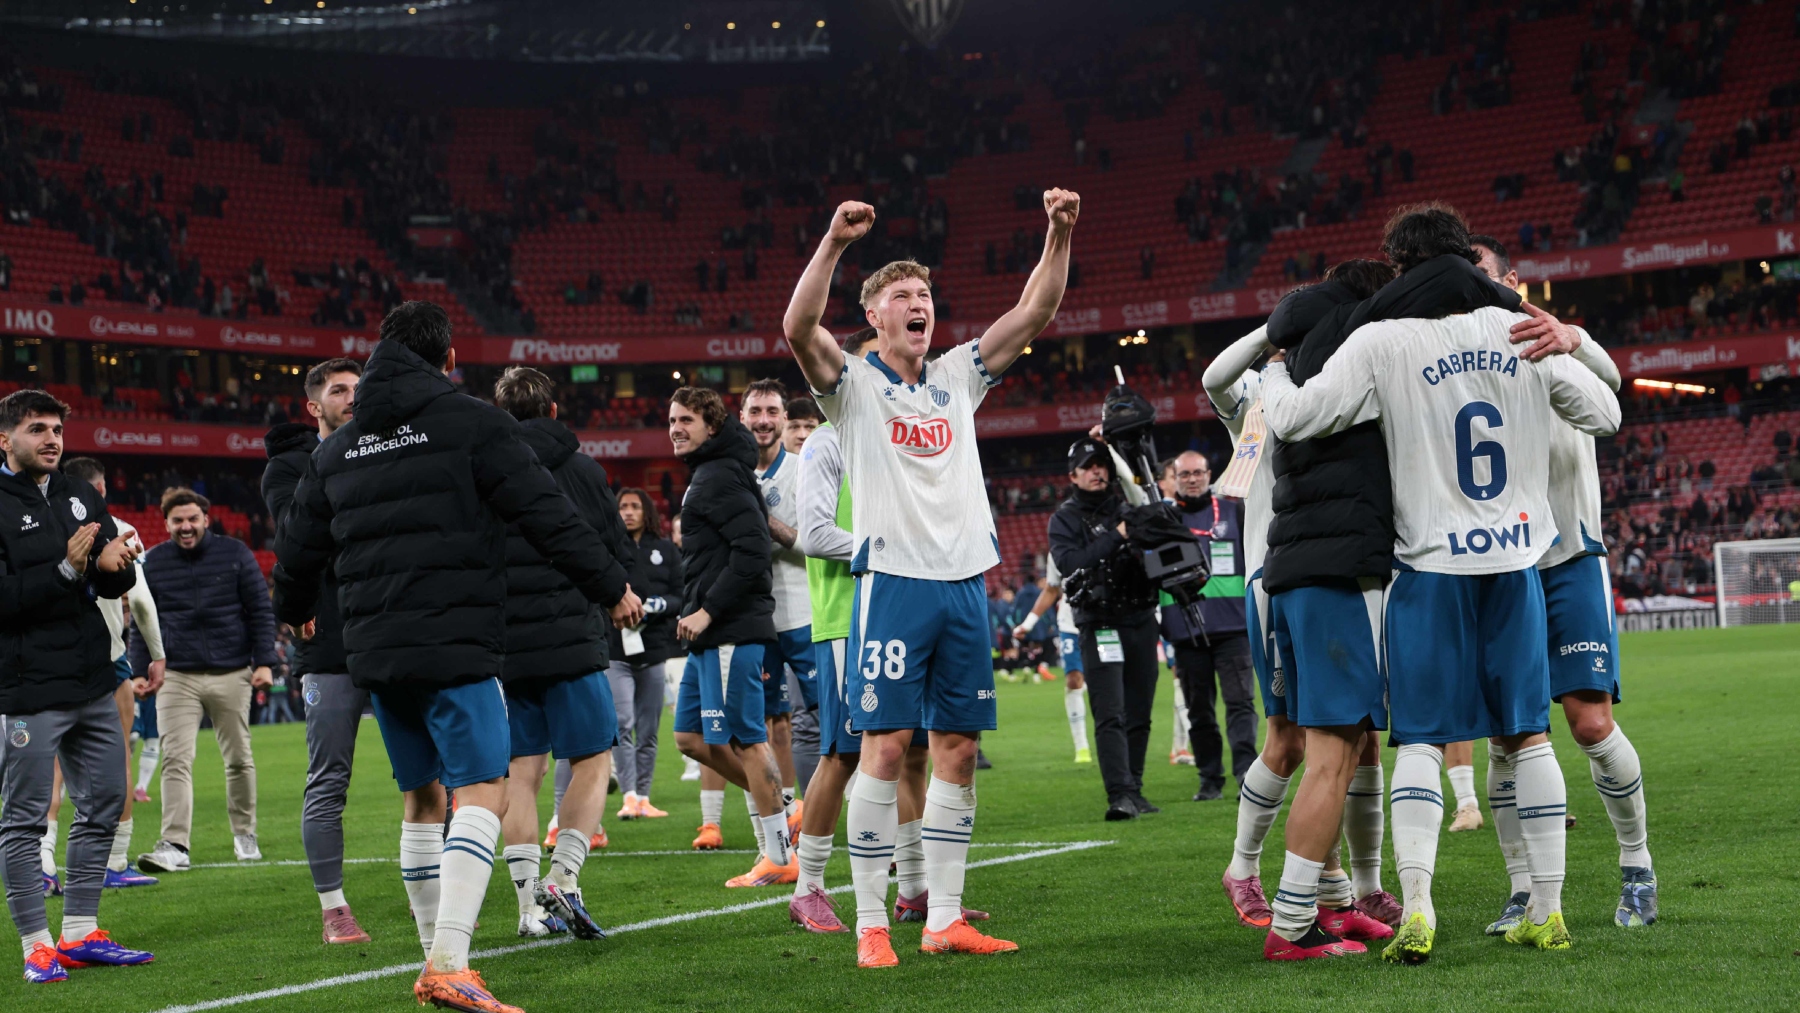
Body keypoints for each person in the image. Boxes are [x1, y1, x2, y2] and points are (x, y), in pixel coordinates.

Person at [1261, 204, 1621, 964]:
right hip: (1516, 565)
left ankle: (1418, 908)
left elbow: (1296, 420)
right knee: (1528, 734)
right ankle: (1548, 910)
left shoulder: (1382, 338)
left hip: (1429, 567)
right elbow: (1605, 412)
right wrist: (1568, 341)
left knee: (1422, 740)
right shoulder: (1516, 329)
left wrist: (1272, 370)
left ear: (1399, 267)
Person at [274, 301, 626, 1013]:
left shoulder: (338, 448)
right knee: (484, 789)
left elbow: (296, 547)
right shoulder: (472, 423)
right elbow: (547, 514)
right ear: (449, 358)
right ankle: (449, 963)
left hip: (375, 652)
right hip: (456, 643)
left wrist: (295, 608)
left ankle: (434, 953)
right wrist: (610, 585)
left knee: (422, 797)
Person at [782, 187, 1080, 965]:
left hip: (964, 585)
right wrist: (835, 243)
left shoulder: (958, 375)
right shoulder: (853, 386)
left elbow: (1036, 310)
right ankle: (871, 923)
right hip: (893, 583)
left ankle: (944, 916)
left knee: (957, 751)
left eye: (925, 294)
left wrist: (1057, 233)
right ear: (874, 315)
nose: (919, 304)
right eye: (902, 296)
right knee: (883, 751)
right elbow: (798, 328)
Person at [1471, 235, 1656, 932]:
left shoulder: (1552, 342)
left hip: (1571, 555)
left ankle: (1637, 864)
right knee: (1507, 737)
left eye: (1481, 274)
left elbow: (1610, 399)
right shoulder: (1455, 355)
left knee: (1590, 722)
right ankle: (1522, 888)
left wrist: (1573, 338)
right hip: (1498, 566)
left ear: (1512, 280)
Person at [1205, 312, 1401, 942]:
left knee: (1356, 735)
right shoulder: (1260, 396)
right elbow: (1214, 378)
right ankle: (1242, 868)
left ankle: (1354, 890)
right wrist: (1272, 334)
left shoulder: (1342, 382)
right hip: (1275, 576)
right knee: (1290, 739)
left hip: (1337, 570)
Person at [0, 389, 154, 983]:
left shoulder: (79, 492)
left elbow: (109, 580)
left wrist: (118, 568)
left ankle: (81, 932)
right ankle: (36, 945)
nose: (52, 439)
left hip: (92, 678)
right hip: (28, 686)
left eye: (57, 429)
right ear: (5, 439)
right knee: (25, 819)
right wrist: (66, 569)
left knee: (105, 803)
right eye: (37, 428)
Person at [490, 366, 639, 942]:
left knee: (520, 771)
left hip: (507, 643)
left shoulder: (483, 469)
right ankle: (565, 877)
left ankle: (528, 907)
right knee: (593, 759)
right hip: (571, 636)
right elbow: (612, 549)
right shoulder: (581, 469)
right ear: (553, 411)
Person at [260, 356, 373, 944]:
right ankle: (334, 910)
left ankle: (431, 895)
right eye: (338, 390)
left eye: (358, 388)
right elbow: (297, 539)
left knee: (428, 776)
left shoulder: (384, 449)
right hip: (327, 644)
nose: (352, 397)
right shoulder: (288, 468)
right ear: (314, 406)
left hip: (391, 635)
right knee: (328, 779)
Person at [666, 387, 792, 886]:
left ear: (713, 427)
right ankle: (782, 810)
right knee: (690, 737)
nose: (676, 428)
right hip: (709, 633)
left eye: (687, 420)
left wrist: (707, 611)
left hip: (729, 629)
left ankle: (778, 855)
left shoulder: (718, 475)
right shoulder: (711, 470)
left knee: (746, 740)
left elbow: (753, 550)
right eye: (672, 420)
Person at [133, 487, 277, 872]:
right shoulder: (153, 562)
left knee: (239, 759)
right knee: (175, 758)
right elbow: (142, 622)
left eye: (192, 519)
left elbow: (260, 611)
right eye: (178, 520)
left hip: (232, 672)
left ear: (206, 520)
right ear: (166, 523)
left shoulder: (236, 554)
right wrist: (138, 671)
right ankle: (174, 844)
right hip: (177, 675)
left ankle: (244, 833)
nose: (186, 526)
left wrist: (265, 663)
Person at [722, 377, 814, 888]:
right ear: (742, 417)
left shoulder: (804, 469)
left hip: (805, 613)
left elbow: (814, 542)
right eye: (754, 411)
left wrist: (762, 522)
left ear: (784, 418)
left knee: (844, 724)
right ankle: (773, 850)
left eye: (772, 411)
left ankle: (881, 840)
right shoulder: (727, 472)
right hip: (753, 619)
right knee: (756, 732)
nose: (763, 420)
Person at [58, 457, 163, 890]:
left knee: (51, 764)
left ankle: (43, 863)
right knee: (117, 756)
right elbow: (140, 602)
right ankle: (115, 862)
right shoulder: (116, 526)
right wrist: (157, 655)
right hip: (107, 656)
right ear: (99, 489)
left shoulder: (44, 521)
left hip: (47, 658)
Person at [1047, 438, 1161, 821]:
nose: (1098, 471)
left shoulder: (1127, 506)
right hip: (1099, 622)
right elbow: (1070, 563)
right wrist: (1119, 535)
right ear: (1073, 475)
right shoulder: (1064, 519)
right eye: (1089, 466)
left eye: (1102, 465)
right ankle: (1120, 794)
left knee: (1140, 710)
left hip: (1141, 616)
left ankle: (1135, 788)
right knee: (1110, 712)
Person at [1159, 450, 1257, 802]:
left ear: (1209, 474)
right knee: (1199, 712)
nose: (1192, 479)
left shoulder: (1234, 511)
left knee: (1240, 704)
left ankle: (1246, 774)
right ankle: (1209, 778)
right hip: (1186, 629)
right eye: (1184, 474)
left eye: (1197, 472)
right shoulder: (1162, 520)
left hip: (1234, 628)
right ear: (1174, 479)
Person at [608, 488, 684, 822]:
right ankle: (628, 797)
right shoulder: (608, 548)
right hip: (615, 648)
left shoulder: (666, 549)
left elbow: (681, 595)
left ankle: (643, 797)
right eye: (622, 506)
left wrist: (659, 605)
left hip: (653, 647)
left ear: (647, 511)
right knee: (623, 722)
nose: (628, 512)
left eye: (635, 506)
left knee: (649, 728)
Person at [1011, 553, 1092, 764]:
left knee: (1105, 682)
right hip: (1070, 624)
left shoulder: (1103, 540)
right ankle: (1081, 746)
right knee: (1073, 680)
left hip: (1103, 622)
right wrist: (1028, 624)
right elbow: (1051, 589)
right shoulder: (1058, 549)